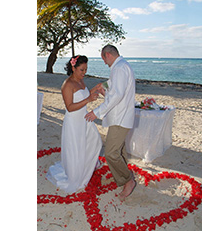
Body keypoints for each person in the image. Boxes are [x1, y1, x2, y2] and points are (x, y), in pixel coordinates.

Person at [85, 45, 136, 201]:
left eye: (103, 59)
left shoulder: (119, 68)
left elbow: (117, 95)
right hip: (120, 116)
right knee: (119, 150)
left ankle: (128, 180)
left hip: (121, 117)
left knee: (111, 153)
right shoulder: (121, 66)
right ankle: (122, 177)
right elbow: (115, 89)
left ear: (107, 55)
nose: (104, 63)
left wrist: (97, 112)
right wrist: (104, 88)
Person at [47, 55, 103, 194]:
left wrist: (93, 90)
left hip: (83, 118)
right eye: (81, 70)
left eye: (85, 70)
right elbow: (70, 107)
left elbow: (84, 97)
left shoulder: (81, 81)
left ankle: (86, 165)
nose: (84, 73)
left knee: (94, 141)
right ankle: (75, 172)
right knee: (75, 147)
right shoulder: (67, 84)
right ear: (73, 67)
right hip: (73, 121)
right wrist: (89, 99)